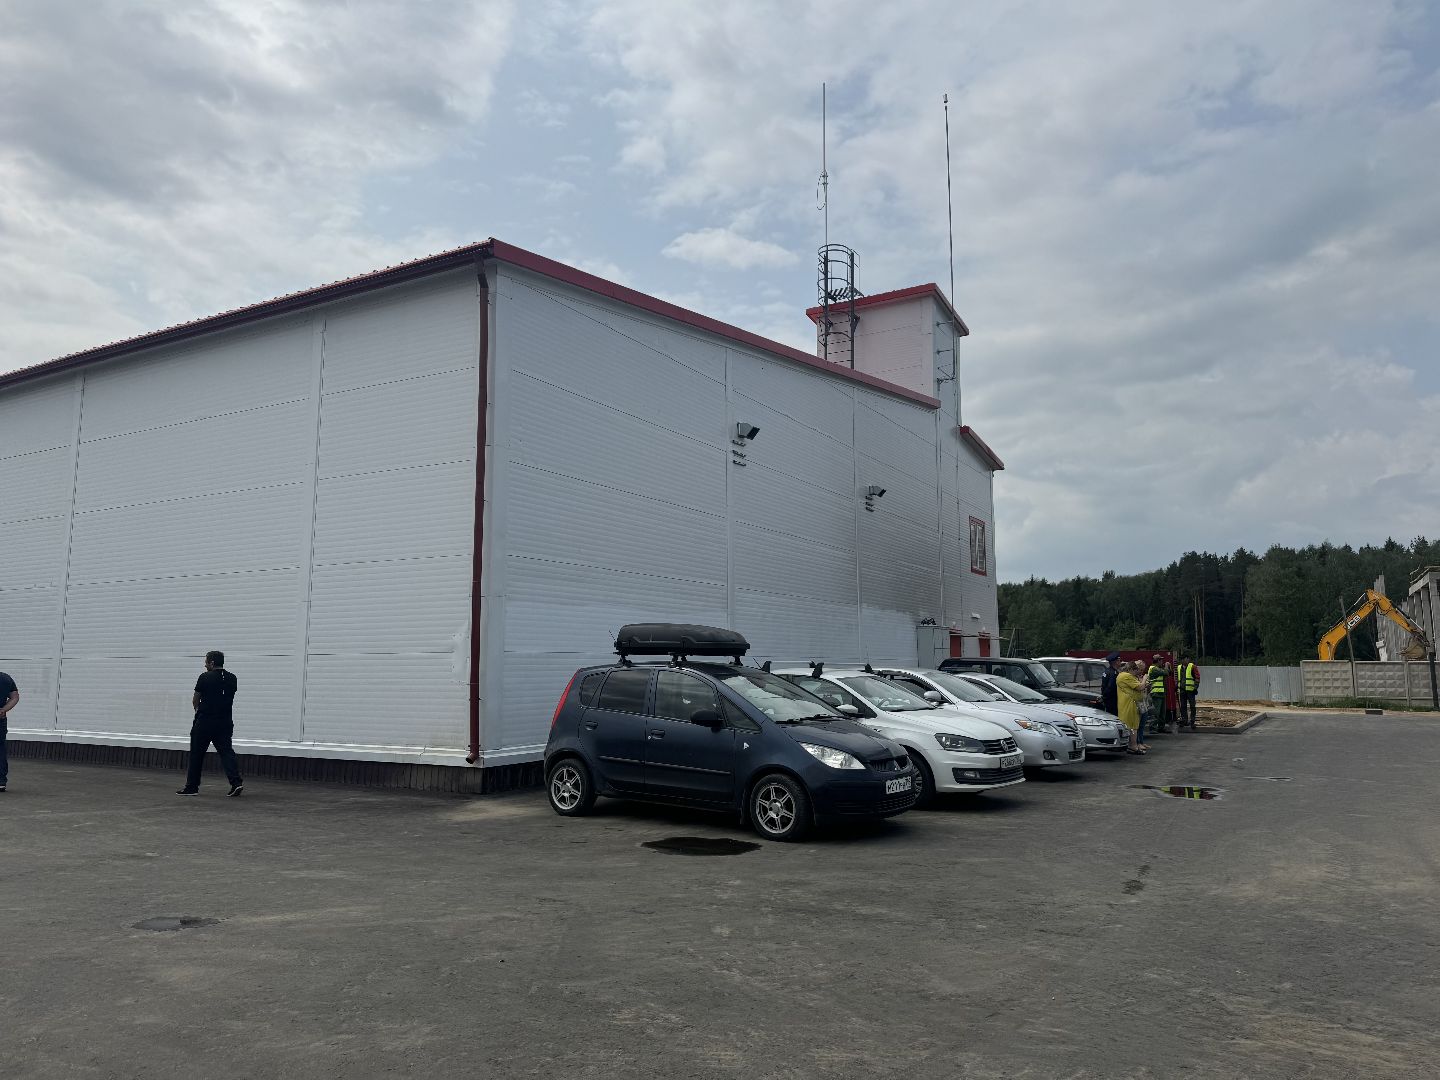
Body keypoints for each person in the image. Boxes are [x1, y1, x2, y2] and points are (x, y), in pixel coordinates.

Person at [177, 651, 242, 797]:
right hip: (225, 722)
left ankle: (192, 787)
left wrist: (198, 711)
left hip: (205, 721)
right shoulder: (232, 678)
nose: (204, 664)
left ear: (212, 663)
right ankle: (236, 783)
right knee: (226, 752)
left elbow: (195, 699)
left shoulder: (204, 677)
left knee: (196, 754)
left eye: (206, 662)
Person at [1116, 661, 1146, 754]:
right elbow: (1140, 687)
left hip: (1127, 703)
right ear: (1130, 669)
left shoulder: (1123, 675)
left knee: (1129, 726)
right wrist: (1145, 679)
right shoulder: (1126, 676)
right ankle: (1133, 746)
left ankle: (1130, 745)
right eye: (1135, 670)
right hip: (1130, 704)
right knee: (1133, 726)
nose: (1136, 673)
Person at [0, 669, 17, 792]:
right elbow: (14, 697)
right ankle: (1, 781)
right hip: (0, 719)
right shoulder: (6, 678)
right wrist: (3, 710)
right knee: (0, 748)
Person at [1177, 655, 1201, 730]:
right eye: (1183, 659)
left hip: (1191, 690)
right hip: (1182, 690)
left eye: (1185, 659)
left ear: (1187, 659)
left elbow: (1197, 677)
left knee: (1192, 706)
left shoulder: (1192, 667)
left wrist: (1195, 687)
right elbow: (1177, 678)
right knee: (1183, 706)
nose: (1184, 661)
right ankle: (1184, 720)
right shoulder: (1179, 667)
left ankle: (1192, 721)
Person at [1147, 655, 1168, 734]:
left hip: (1161, 692)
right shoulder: (1153, 669)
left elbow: (1168, 673)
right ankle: (1152, 727)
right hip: (1156, 693)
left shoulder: (1158, 668)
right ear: (1158, 661)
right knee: (1156, 712)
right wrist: (1166, 666)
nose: (1162, 662)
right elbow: (1165, 672)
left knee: (1162, 712)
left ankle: (1161, 727)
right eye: (1161, 660)